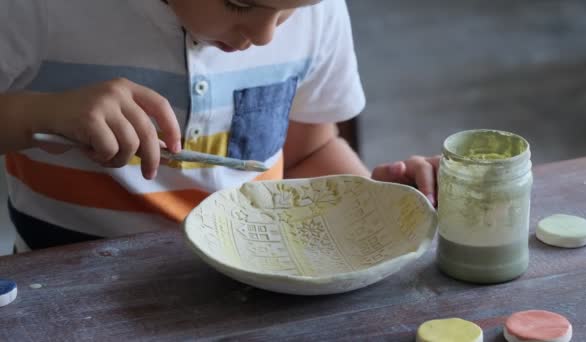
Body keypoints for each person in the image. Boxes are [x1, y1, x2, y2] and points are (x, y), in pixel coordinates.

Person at [0, 0, 439, 250]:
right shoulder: (37, 10)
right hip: (72, 293)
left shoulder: (317, 14)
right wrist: (41, 113)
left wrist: (376, 206)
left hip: (252, 286)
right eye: (241, 3)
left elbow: (308, 152)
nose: (267, 35)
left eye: (289, 12)